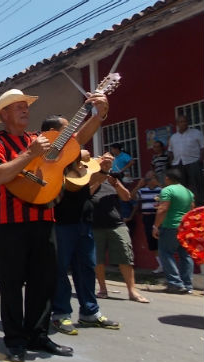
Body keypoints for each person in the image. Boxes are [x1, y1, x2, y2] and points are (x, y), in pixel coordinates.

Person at [0, 87, 108, 362]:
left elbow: (76, 141)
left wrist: (98, 115)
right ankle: (15, 340)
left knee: (43, 283)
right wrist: (29, 156)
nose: (25, 109)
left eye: (26, 105)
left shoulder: (41, 138)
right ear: (4, 114)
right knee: (12, 285)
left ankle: (38, 336)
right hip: (11, 225)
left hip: (45, 221)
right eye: (18, 106)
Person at [42, 116, 119, 335]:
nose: (73, 133)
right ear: (52, 133)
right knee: (59, 270)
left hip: (84, 220)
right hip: (59, 220)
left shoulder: (77, 157)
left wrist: (102, 171)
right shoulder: (48, 155)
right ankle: (61, 314)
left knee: (86, 268)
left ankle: (89, 312)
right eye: (67, 130)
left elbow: (88, 184)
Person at [91, 154, 150, 304]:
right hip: (95, 225)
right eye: (103, 161)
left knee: (126, 256)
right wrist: (100, 177)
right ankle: (103, 289)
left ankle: (132, 291)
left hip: (117, 223)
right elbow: (87, 194)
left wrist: (116, 183)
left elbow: (126, 197)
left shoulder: (113, 179)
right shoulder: (90, 178)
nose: (106, 164)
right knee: (98, 259)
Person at [152, 168, 195, 294]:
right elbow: (191, 209)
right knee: (185, 256)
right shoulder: (188, 192)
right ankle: (187, 285)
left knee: (165, 253)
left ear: (167, 178)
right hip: (185, 227)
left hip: (171, 226)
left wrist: (155, 226)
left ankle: (175, 283)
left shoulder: (167, 190)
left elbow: (163, 209)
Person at [167, 115, 204, 206]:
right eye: (181, 121)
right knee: (181, 186)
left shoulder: (196, 133)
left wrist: (200, 160)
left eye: (185, 121)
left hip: (193, 162)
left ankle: (198, 206)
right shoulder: (173, 137)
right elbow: (170, 152)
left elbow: (202, 147)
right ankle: (184, 206)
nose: (184, 123)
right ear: (177, 124)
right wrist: (171, 164)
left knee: (196, 186)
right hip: (178, 164)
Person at [131, 171, 163, 273]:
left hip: (159, 217)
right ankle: (161, 265)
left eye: (150, 179)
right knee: (152, 242)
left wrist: (159, 184)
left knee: (162, 240)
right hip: (147, 218)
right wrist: (138, 185)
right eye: (147, 179)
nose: (148, 181)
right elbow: (131, 197)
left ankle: (166, 265)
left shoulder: (161, 190)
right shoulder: (142, 190)